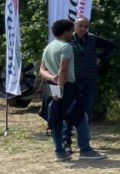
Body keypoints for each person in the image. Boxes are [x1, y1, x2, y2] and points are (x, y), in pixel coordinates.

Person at [39, 19, 106, 162]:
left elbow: (42, 70)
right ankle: (85, 150)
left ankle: (59, 152)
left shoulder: (49, 47)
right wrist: (61, 87)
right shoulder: (66, 47)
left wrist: (53, 79)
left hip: (52, 86)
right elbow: (63, 69)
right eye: (71, 30)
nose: (72, 33)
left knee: (56, 118)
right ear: (65, 32)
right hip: (66, 87)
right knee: (81, 117)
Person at [61, 17, 115, 152]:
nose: (84, 29)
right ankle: (66, 140)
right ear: (74, 25)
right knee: (69, 110)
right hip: (73, 80)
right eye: (81, 26)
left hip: (90, 79)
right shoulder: (67, 40)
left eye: (86, 26)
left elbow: (111, 44)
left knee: (86, 111)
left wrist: (99, 58)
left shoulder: (92, 38)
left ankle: (83, 142)